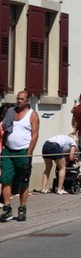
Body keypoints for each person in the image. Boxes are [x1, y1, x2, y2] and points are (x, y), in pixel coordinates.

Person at [0, 91, 40, 222]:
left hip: (23, 152)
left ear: (27, 101)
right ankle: (7, 209)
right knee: (5, 179)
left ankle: (22, 209)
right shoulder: (11, 112)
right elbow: (5, 128)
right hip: (8, 151)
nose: (19, 101)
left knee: (23, 180)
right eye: (18, 98)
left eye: (22, 99)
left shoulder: (32, 115)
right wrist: (4, 146)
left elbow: (35, 135)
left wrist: (29, 155)